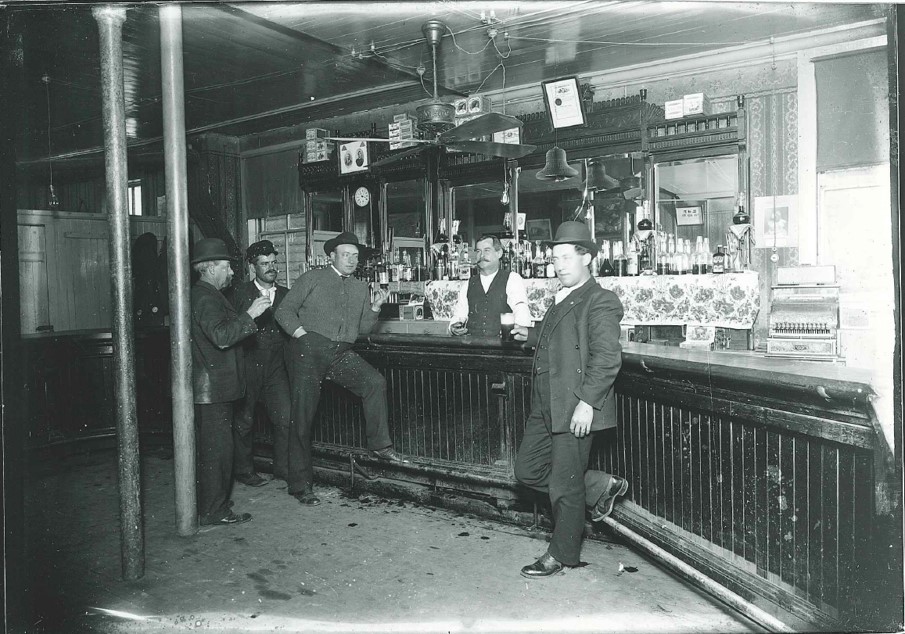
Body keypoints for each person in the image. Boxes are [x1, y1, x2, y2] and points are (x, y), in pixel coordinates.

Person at [511, 221, 629, 578]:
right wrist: (529, 336)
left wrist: (587, 402)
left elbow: (607, 358)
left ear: (588, 258)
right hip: (545, 404)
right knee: (527, 470)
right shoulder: (564, 296)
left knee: (564, 485)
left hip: (573, 404)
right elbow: (562, 344)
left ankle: (561, 555)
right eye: (554, 258)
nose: (558, 265)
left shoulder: (601, 299)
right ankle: (599, 485)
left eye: (565, 257)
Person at [274, 232, 408, 507]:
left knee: (374, 382)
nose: (351, 259)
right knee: (302, 417)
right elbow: (283, 311)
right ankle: (300, 485)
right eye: (345, 254)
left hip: (340, 353)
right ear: (332, 256)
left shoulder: (360, 287)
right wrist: (302, 335)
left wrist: (374, 307)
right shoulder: (312, 278)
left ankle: (380, 446)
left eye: (355, 255)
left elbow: (361, 330)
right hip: (309, 351)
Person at [191, 238, 271, 526]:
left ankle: (214, 502)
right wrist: (250, 315)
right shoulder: (206, 297)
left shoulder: (206, 294)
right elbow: (222, 337)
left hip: (212, 387)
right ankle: (214, 510)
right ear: (211, 269)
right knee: (217, 453)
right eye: (226, 267)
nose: (232, 273)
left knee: (216, 450)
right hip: (212, 389)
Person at [226, 240, 291, 487]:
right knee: (244, 421)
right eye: (265, 264)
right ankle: (244, 471)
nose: (271, 268)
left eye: (274, 263)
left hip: (276, 367)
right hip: (247, 363)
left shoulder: (286, 295)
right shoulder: (239, 295)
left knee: (285, 418)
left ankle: (283, 470)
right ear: (254, 267)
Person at [449, 234, 532, 337]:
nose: (482, 255)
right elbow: (458, 316)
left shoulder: (512, 279)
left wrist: (517, 333)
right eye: (478, 251)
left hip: (502, 348)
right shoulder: (469, 283)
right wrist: (453, 327)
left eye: (487, 250)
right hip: (473, 348)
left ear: (499, 253)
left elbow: (521, 311)